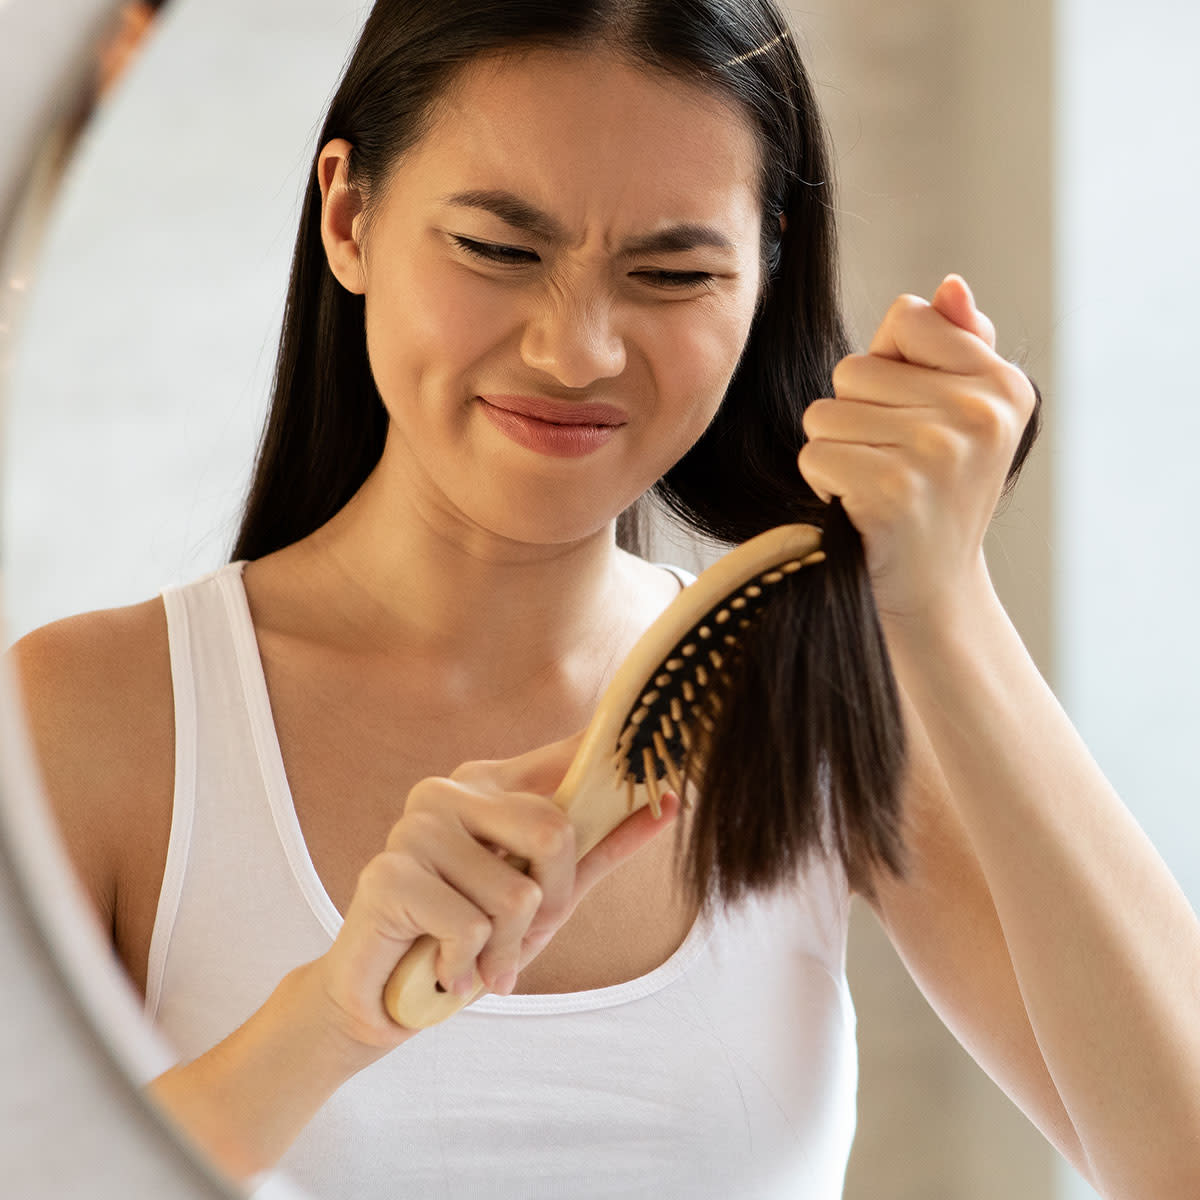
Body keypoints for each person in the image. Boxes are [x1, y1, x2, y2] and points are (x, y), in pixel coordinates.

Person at [12, 1, 1200, 1197]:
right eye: (498, 249)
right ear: (350, 215)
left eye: (673, 271)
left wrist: (944, 604)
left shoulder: (819, 699)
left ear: (764, 271)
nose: (577, 349)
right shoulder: (87, 718)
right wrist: (326, 1022)